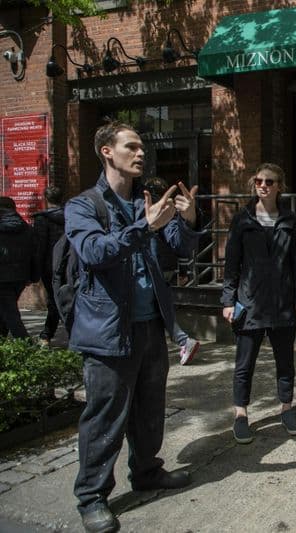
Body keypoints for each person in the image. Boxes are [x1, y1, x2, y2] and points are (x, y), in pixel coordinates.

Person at [67, 121, 199, 533]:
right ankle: (91, 497)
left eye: (142, 147)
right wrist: (145, 226)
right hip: (107, 332)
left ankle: (146, 472)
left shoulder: (148, 201)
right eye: (131, 146)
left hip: (150, 325)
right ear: (107, 151)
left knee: (149, 411)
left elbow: (184, 250)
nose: (141, 153)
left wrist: (189, 220)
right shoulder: (85, 205)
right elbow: (92, 251)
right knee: (105, 418)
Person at [221, 163, 296, 445]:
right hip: (250, 303)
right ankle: (241, 414)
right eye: (259, 180)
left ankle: (286, 408)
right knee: (244, 363)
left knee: (286, 362)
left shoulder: (289, 219)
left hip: (282, 303)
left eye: (270, 182)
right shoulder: (243, 218)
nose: (263, 185)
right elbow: (231, 263)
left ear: (279, 186)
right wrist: (228, 300)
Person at [142, 177, 201, 365]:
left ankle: (183, 340)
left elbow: (179, 243)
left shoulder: (165, 211)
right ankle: (183, 341)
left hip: (157, 270)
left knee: (159, 306)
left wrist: (189, 219)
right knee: (160, 306)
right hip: (164, 268)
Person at [0, 196, 37, 339]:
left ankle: (25, 345)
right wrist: (33, 276)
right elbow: (35, 254)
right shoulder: (26, 228)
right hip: (20, 277)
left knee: (10, 314)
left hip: (2, 278)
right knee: (6, 309)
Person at [33, 185, 64, 345]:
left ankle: (46, 335)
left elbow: (40, 247)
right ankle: (47, 335)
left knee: (54, 300)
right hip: (69, 265)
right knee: (67, 299)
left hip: (50, 267)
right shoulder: (72, 216)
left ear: (46, 199)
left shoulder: (42, 220)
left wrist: (35, 272)